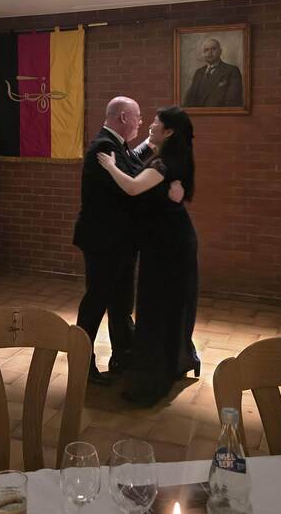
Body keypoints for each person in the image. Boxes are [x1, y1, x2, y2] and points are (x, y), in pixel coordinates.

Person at [73, 97, 182, 384]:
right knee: (96, 301)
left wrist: (150, 145)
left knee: (120, 304)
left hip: (120, 241)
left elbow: (130, 160)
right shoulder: (103, 147)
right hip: (104, 241)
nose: (141, 122)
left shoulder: (114, 145)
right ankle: (82, 363)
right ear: (123, 117)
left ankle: (122, 356)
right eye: (138, 117)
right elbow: (131, 179)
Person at [97, 106, 199, 405]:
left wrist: (109, 165)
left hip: (168, 245)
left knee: (158, 309)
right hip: (168, 241)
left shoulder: (165, 163)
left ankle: (155, 376)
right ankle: (173, 361)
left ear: (169, 131)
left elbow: (132, 187)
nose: (149, 124)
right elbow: (145, 161)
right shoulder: (174, 157)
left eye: (155, 122)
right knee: (167, 307)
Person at [183, 38, 243, 107]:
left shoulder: (232, 71)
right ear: (203, 53)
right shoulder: (198, 72)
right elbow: (189, 100)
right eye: (206, 50)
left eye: (213, 49)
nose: (209, 53)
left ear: (220, 52)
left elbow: (233, 102)